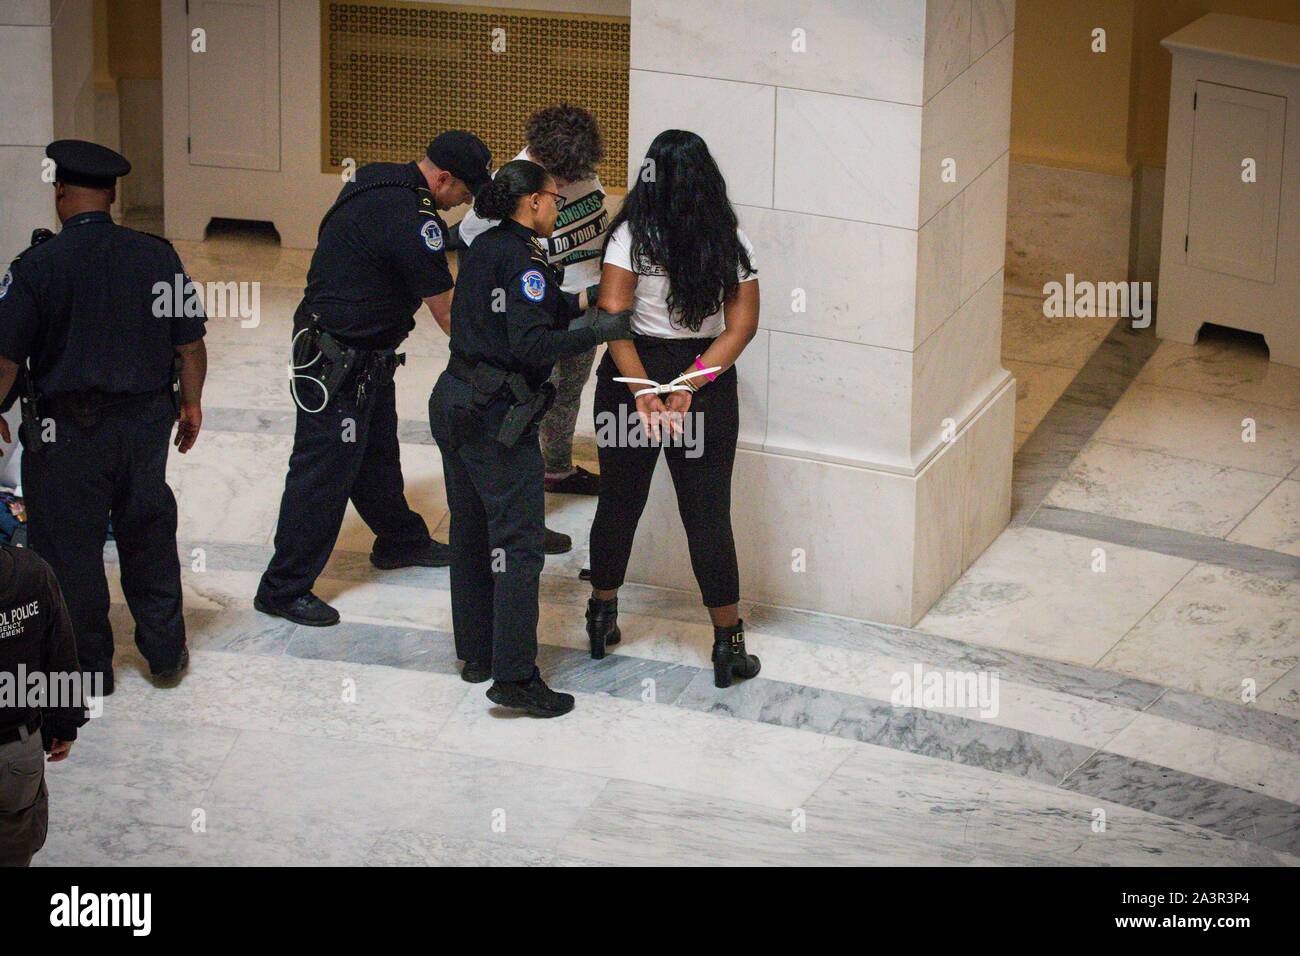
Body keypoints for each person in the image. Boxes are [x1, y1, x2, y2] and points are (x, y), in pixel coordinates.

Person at [254, 131, 491, 627]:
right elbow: (445, 310)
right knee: (321, 473)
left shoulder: (376, 177)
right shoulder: (414, 217)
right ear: (442, 179)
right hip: (337, 361)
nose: (459, 207)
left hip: (362, 356)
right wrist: (490, 358)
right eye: (463, 196)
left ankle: (399, 540)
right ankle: (283, 587)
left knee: (376, 454)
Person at [0, 139, 206, 695]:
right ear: (113, 195)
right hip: (143, 426)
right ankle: (164, 651)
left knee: (70, 549)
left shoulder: (36, 268)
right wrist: (190, 403)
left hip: (65, 432)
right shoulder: (156, 255)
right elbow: (189, 343)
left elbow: (5, 359)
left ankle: (87, 666)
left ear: (61, 191)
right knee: (147, 533)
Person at [429, 160, 632, 717]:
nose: (558, 207)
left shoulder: (488, 247)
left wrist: (586, 302)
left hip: (454, 400)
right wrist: (597, 332)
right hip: (496, 420)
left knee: (471, 534)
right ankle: (515, 678)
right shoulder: (525, 260)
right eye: (554, 199)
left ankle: (476, 654)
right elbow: (531, 345)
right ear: (534, 202)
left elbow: (527, 308)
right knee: (517, 547)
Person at [585, 130, 762, 688]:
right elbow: (742, 326)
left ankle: (601, 614)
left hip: (626, 377)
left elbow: (613, 316)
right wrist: (687, 385)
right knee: (708, 514)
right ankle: (728, 645)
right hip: (704, 381)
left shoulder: (631, 236)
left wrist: (642, 391)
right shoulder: (732, 241)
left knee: (619, 503)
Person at [455, 105, 610, 554]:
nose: (562, 187)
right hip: (534, 310)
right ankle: (521, 511)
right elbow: (475, 239)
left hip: (581, 300)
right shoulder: (517, 179)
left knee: (566, 392)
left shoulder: (583, 171)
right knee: (527, 403)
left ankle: (557, 468)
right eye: (555, 180)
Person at [0, 542, 87, 867]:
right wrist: (65, 723)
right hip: (18, 749)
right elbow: (61, 653)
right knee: (14, 846)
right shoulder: (32, 571)